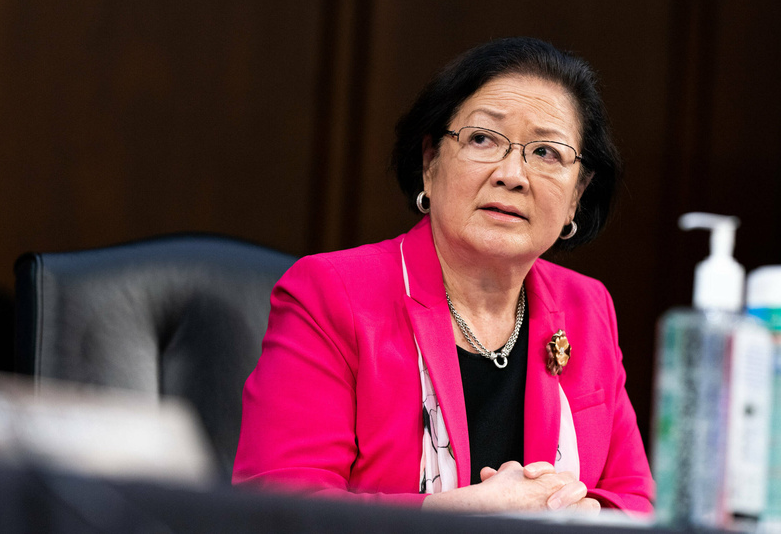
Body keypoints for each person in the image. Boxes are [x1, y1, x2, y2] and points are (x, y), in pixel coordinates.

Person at [232, 37, 654, 514]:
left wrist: (586, 514)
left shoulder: (587, 305)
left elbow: (637, 500)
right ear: (430, 163)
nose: (512, 174)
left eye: (547, 153)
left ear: (577, 195)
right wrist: (464, 516)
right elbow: (277, 510)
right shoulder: (330, 293)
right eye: (483, 139)